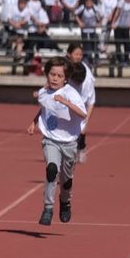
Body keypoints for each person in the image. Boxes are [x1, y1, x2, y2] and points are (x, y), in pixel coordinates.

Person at [28, 57, 87, 226]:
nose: (54, 78)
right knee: (51, 170)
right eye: (52, 74)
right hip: (50, 140)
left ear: (66, 79)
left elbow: (83, 114)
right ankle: (48, 208)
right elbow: (45, 108)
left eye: (59, 76)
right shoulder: (44, 92)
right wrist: (34, 122)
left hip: (69, 142)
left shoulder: (70, 93)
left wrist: (66, 102)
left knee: (66, 179)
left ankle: (65, 201)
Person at [66, 41, 98, 162]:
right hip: (66, 104)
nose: (78, 56)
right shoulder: (63, 68)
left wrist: (86, 121)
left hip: (81, 106)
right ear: (69, 54)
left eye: (80, 54)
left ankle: (81, 148)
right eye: (76, 54)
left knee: (80, 129)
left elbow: (91, 102)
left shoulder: (87, 80)